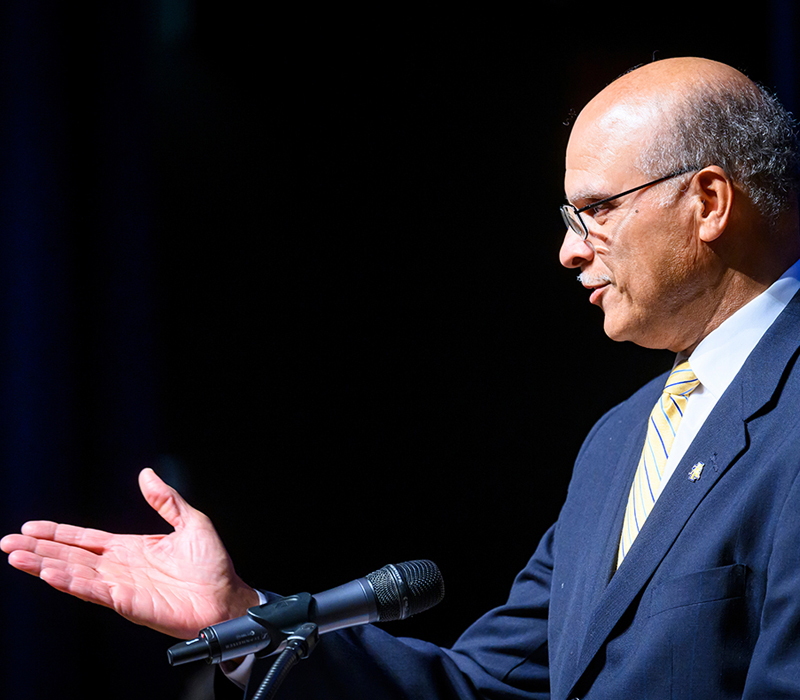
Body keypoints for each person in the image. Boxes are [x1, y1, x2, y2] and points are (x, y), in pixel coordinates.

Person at [3, 56, 800, 699]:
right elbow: (484, 685)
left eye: (595, 210)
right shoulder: (618, 442)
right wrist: (244, 616)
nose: (569, 250)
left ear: (707, 201)